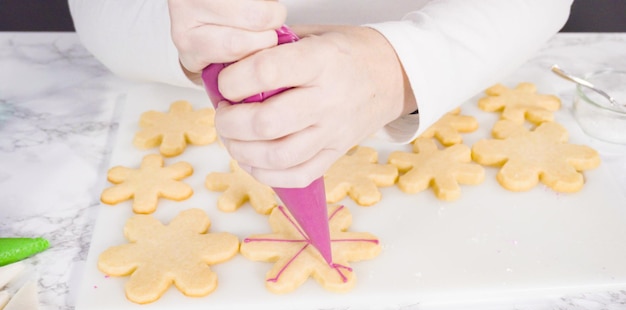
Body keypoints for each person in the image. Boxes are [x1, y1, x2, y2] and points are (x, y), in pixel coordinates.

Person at [68, 0, 573, 188]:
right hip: (177, 94)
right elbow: (100, 12)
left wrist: (398, 69)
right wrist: (196, 43)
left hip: (463, 75)